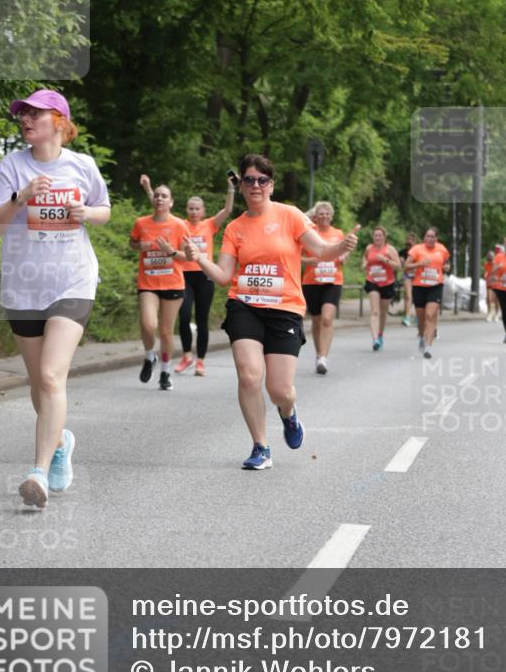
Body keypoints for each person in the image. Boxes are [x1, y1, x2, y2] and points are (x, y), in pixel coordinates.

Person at [183, 154, 358, 470]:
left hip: (284, 309)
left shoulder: (290, 216)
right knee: (249, 376)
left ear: (271, 185)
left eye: (262, 180)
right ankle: (261, 447)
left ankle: (288, 414)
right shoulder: (236, 228)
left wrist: (341, 248)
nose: (255, 186)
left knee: (279, 390)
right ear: (242, 184)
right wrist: (198, 257)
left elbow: (320, 250)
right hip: (245, 306)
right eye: (249, 180)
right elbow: (223, 276)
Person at [0, 90, 111, 508]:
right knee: (39, 381)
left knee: (53, 376)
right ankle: (60, 443)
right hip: (23, 284)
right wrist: (21, 197)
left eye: (35, 113)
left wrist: (87, 214)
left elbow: (103, 208)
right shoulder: (12, 166)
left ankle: (37, 470)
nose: (25, 119)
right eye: (22, 114)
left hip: (72, 281)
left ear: (58, 121)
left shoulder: (82, 166)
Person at [140, 173, 236, 375]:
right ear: (186, 210)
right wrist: (149, 189)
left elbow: (227, 210)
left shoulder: (209, 224)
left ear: (203, 211)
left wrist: (231, 188)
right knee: (184, 317)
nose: (193, 212)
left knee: (202, 320)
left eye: (197, 209)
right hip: (184, 275)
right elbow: (159, 207)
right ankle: (186, 356)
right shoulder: (179, 224)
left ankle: (200, 361)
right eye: (190, 208)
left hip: (204, 275)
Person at [130, 184, 189, 390]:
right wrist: (140, 246)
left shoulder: (179, 225)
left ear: (171, 202)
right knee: (148, 324)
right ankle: (149, 357)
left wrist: (171, 251)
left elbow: (188, 256)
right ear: (153, 200)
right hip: (148, 282)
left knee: (165, 332)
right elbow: (132, 243)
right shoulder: (141, 223)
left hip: (172, 282)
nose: (160, 198)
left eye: (164, 196)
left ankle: (165, 371)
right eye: (156, 195)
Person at [301, 201, 345, 374]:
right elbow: (295, 256)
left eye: (327, 213)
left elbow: (344, 250)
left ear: (331, 216)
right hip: (311, 282)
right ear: (315, 216)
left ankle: (323, 358)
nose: (324, 216)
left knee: (327, 319)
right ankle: (318, 353)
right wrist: (309, 261)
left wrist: (344, 256)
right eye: (321, 213)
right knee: (317, 320)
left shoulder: (338, 233)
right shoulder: (308, 233)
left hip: (333, 281)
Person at [404, 228, 450, 359]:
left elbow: (446, 264)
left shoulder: (442, 249)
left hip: (435, 286)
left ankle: (428, 346)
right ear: (424, 237)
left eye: (432, 237)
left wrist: (447, 268)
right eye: (427, 236)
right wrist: (419, 263)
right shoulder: (417, 249)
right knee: (421, 319)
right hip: (419, 286)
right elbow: (406, 266)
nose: (429, 239)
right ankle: (421, 334)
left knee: (430, 315)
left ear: (436, 238)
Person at [361, 226, 401, 351]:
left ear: (384, 237)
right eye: (375, 235)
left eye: (380, 235)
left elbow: (398, 266)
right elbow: (364, 259)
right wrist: (364, 264)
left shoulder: (390, 249)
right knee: (375, 311)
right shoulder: (369, 248)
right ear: (373, 237)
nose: (377, 237)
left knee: (383, 313)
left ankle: (380, 334)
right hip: (372, 281)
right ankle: (374, 339)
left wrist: (385, 260)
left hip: (387, 283)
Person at [398, 233, 417, 326]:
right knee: (408, 296)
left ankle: (417, 316)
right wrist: (400, 262)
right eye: (407, 243)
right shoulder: (402, 252)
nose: (408, 245)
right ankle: (407, 316)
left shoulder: (419, 252)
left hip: (417, 276)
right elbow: (397, 264)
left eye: (410, 243)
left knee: (417, 297)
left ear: (414, 242)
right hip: (407, 275)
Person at [484, 250, 500, 322]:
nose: (490, 260)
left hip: (497, 284)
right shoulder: (486, 264)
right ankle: (489, 313)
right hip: (489, 283)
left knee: (496, 300)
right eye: (488, 258)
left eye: (491, 258)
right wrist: (486, 275)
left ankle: (497, 314)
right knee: (488, 298)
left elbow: (501, 274)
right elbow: (487, 273)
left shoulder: (498, 265)